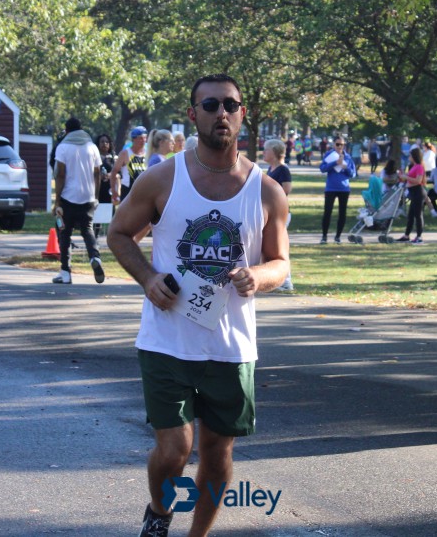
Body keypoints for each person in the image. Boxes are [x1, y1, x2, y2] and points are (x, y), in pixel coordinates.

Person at [107, 74, 289, 537]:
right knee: (174, 450)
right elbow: (119, 233)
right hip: (167, 340)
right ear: (193, 115)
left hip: (231, 345)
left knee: (217, 452)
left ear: (242, 114)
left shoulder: (266, 190)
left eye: (230, 104)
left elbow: (281, 263)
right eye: (210, 105)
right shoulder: (163, 178)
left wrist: (257, 276)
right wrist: (148, 278)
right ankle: (159, 513)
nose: (221, 113)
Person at [51, 118, 104, 286]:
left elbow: (60, 174)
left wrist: (57, 201)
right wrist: (95, 196)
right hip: (88, 197)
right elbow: (97, 173)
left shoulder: (63, 147)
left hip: (68, 197)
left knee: (64, 233)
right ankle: (95, 257)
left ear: (67, 130)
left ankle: (65, 272)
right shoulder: (92, 147)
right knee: (87, 230)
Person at [263, 138, 293, 291]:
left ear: (274, 152)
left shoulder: (283, 169)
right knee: (271, 247)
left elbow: (286, 189)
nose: (263, 152)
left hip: (281, 214)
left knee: (279, 246)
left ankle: (286, 281)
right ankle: (275, 280)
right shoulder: (271, 169)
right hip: (271, 213)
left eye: (266, 150)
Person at [319, 136, 357, 244]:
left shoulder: (348, 157)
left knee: (342, 213)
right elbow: (322, 168)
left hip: (344, 189)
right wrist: (335, 162)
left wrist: (345, 167)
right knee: (327, 212)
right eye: (338, 144)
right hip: (330, 188)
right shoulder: (329, 155)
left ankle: (338, 237)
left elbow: (353, 174)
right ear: (334, 144)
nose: (340, 147)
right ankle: (324, 236)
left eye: (342, 144)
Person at [110, 126, 148, 205]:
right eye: (140, 138)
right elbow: (114, 172)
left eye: (145, 138)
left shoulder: (147, 153)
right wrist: (114, 191)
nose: (143, 140)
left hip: (143, 190)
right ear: (134, 139)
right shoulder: (125, 153)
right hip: (128, 191)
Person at [397, 146, 427, 244]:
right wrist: (403, 176)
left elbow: (418, 181)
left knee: (418, 215)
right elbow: (410, 178)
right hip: (413, 192)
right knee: (410, 215)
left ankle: (419, 236)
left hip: (418, 192)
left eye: (410, 155)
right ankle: (406, 235)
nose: (409, 157)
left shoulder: (419, 167)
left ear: (414, 156)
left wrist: (406, 177)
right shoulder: (413, 166)